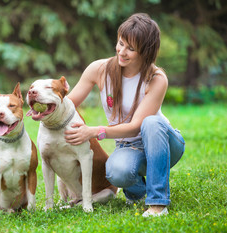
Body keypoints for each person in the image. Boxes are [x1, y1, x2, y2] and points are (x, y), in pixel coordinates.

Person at [64, 13, 185, 217]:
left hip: (163, 142)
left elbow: (137, 125)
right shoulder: (99, 69)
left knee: (151, 122)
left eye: (131, 48)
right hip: (128, 146)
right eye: (120, 43)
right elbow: (68, 104)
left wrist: (94, 131)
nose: (122, 51)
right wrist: (49, 100)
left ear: (146, 52)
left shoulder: (156, 78)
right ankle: (137, 193)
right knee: (115, 172)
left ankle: (157, 202)